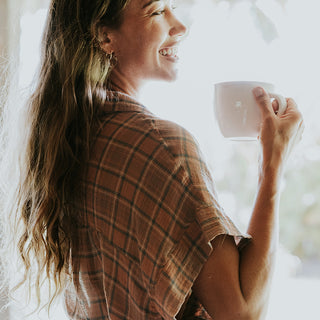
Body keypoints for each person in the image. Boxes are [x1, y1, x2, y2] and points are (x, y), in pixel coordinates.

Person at [0, 0, 304, 319]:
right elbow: (241, 314)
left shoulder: (71, 138)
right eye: (158, 11)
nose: (181, 26)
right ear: (106, 37)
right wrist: (272, 165)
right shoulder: (163, 146)